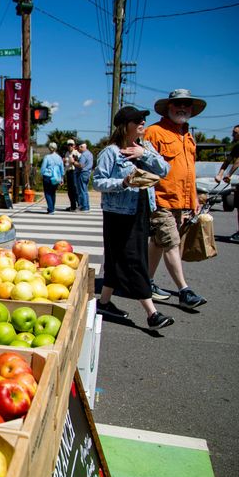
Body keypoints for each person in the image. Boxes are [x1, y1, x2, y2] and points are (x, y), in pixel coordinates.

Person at [93, 106, 174, 330]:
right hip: (118, 213)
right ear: (125, 125)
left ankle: (104, 303)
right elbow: (98, 182)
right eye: (137, 120)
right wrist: (123, 183)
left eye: (143, 119)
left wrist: (144, 154)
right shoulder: (111, 152)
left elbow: (165, 169)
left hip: (141, 210)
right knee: (135, 259)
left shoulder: (144, 147)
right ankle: (152, 313)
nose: (142, 123)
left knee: (117, 258)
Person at [143, 89, 207, 308]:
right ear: (168, 107)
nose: (182, 108)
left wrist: (194, 199)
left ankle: (147, 282)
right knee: (171, 242)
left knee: (159, 243)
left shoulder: (187, 135)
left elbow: (190, 170)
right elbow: (145, 166)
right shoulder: (155, 132)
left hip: (181, 201)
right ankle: (184, 290)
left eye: (186, 105)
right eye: (177, 104)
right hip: (160, 199)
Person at [40, 142, 64, 214]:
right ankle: (52, 207)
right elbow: (61, 169)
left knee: (47, 193)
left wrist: (42, 174)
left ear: (49, 148)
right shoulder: (59, 158)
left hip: (47, 176)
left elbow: (43, 167)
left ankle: (51, 209)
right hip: (56, 177)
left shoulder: (47, 157)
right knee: (53, 193)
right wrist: (62, 178)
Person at [76, 142, 93, 212]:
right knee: (85, 190)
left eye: (78, 148)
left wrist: (74, 162)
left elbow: (81, 165)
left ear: (81, 147)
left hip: (83, 173)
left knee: (82, 190)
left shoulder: (83, 155)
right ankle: (87, 206)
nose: (78, 150)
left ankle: (84, 207)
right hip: (88, 172)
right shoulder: (90, 154)